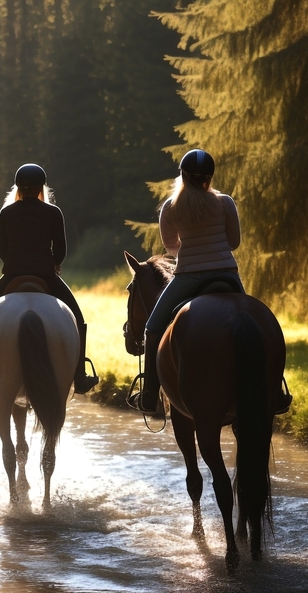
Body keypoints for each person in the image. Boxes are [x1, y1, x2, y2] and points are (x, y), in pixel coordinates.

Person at [0, 163, 99, 397]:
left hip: (13, 275)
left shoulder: (6, 212)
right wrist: (54, 264)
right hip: (46, 275)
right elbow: (61, 250)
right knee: (77, 318)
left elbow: (1, 250)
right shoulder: (53, 213)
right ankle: (79, 375)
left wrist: (14, 263)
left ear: (18, 186)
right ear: (42, 187)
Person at [128, 149, 244, 415]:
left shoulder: (171, 208)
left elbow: (171, 246)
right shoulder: (225, 202)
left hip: (188, 276)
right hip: (227, 274)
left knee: (153, 327)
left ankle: (149, 396)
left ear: (183, 175)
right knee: (254, 321)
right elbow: (234, 242)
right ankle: (276, 389)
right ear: (210, 178)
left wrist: (192, 252)